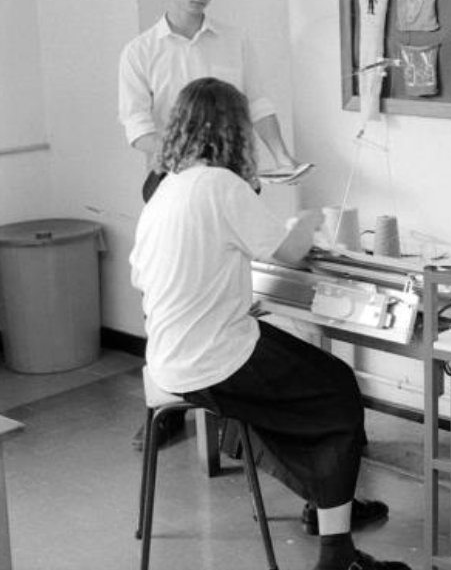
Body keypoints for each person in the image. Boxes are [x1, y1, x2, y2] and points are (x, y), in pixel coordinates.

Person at [129, 78, 405, 570]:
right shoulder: (221, 184)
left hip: (168, 359)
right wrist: (309, 221)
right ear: (232, 130)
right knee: (338, 388)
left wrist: (222, 296)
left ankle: (328, 501)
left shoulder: (166, 189)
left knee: (290, 392)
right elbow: (288, 252)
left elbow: (144, 275)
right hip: (215, 361)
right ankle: (336, 549)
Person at [118, 0, 301, 202]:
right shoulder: (139, 52)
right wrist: (185, 157)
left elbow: (257, 104)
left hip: (233, 175)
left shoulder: (235, 40)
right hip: (173, 180)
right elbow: (137, 127)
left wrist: (282, 157)